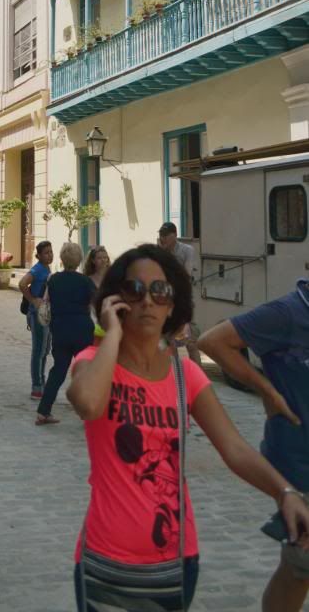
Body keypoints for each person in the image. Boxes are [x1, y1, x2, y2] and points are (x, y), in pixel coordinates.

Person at [66, 243, 309, 612]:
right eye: (134, 290)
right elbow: (87, 403)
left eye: (159, 291)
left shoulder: (186, 376)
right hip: (109, 561)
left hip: (177, 560)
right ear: (117, 300)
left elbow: (234, 448)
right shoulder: (93, 363)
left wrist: (284, 492)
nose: (148, 301)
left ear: (172, 305)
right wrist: (111, 333)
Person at [198, 280, 309, 612]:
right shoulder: (288, 312)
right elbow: (212, 342)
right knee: (301, 565)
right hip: (299, 460)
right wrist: (267, 389)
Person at [35, 242, 95, 425]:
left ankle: (43, 411)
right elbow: (95, 302)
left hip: (60, 328)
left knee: (58, 370)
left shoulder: (53, 280)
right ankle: (88, 412)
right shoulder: (85, 281)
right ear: (79, 259)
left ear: (62, 258)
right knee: (86, 371)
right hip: (82, 329)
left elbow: (45, 300)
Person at [158, 222, 201, 364]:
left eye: (166, 235)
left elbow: (186, 275)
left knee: (190, 341)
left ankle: (198, 372)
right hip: (166, 300)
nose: (162, 238)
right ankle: (175, 371)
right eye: (161, 235)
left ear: (175, 235)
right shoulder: (160, 253)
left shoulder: (187, 250)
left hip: (183, 300)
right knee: (170, 341)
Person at [19, 241, 53, 400]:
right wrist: (33, 300)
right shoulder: (37, 269)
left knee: (45, 350)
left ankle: (41, 381)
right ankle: (36, 386)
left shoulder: (46, 268)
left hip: (46, 314)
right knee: (39, 350)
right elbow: (22, 283)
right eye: (46, 253)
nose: (50, 255)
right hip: (37, 314)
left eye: (51, 252)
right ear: (38, 255)